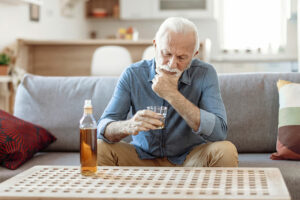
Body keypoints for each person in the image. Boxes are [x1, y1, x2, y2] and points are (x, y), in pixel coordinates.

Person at [97, 17, 238, 167]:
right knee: (98, 148)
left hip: (190, 159)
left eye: (182, 57)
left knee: (226, 150)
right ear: (155, 46)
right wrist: (128, 126)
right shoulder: (133, 74)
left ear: (194, 54)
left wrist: (172, 94)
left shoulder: (205, 73)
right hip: (141, 157)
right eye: (167, 54)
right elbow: (102, 127)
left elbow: (219, 132)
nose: (172, 64)